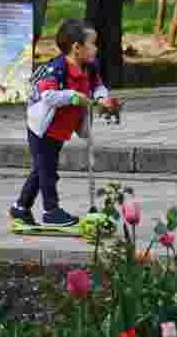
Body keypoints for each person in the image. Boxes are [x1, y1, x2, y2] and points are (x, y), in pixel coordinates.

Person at [8, 18, 119, 227]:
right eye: (93, 43)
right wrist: (73, 96)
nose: (96, 48)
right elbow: (48, 95)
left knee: (41, 170)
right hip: (42, 130)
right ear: (77, 48)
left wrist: (103, 98)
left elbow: (98, 87)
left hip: (60, 131)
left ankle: (20, 208)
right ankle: (51, 212)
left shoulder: (89, 68)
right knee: (47, 172)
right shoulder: (57, 69)